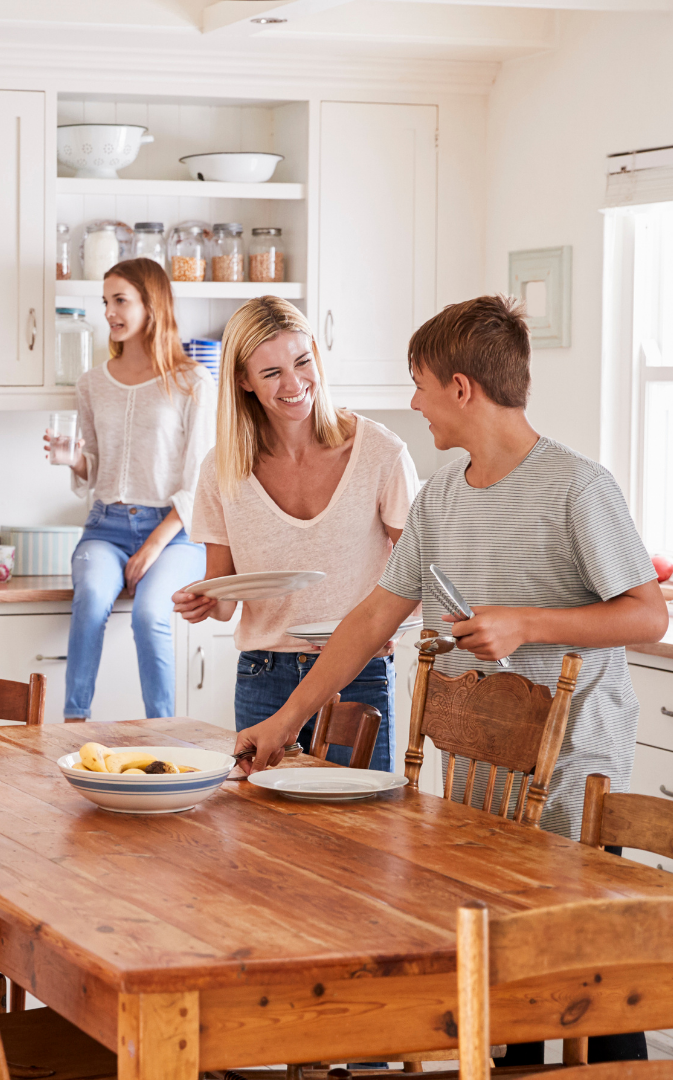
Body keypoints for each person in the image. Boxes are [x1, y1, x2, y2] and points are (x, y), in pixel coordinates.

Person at [232, 294, 668, 1066]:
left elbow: (645, 615)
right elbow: (370, 620)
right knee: (511, 979)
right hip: (481, 769)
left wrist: (529, 622)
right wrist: (287, 721)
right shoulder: (439, 498)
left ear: (461, 389)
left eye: (420, 383)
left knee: (576, 972)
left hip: (570, 768)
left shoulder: (577, 486)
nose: (413, 402)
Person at [172, 296, 419, 769]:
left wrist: (395, 625)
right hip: (264, 672)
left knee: (361, 830)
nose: (294, 384)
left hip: (357, 672)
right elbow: (225, 600)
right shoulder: (222, 469)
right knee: (263, 830)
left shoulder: (380, 452)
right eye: (271, 373)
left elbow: (417, 569)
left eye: (302, 362)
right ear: (243, 381)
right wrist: (203, 601)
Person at [47, 258, 216, 721]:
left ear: (151, 305)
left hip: (176, 533)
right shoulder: (92, 384)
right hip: (107, 526)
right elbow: (96, 465)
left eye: (121, 300)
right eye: (106, 302)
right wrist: (73, 459)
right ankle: (72, 722)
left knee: (148, 615)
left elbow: (201, 478)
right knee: (91, 601)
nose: (110, 312)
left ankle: (162, 730)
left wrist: (153, 547)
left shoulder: (192, 381)